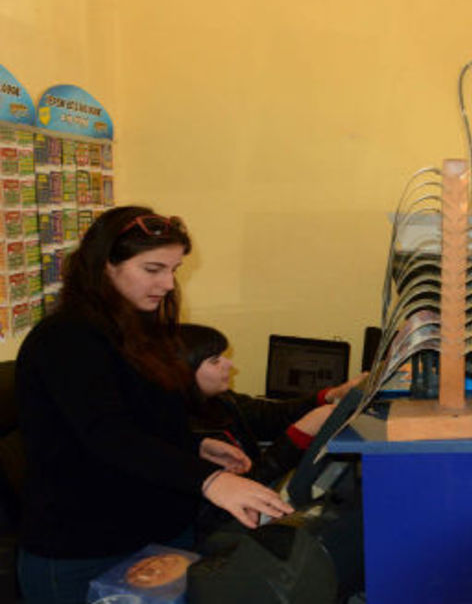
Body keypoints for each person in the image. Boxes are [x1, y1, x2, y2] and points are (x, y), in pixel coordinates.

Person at [16, 206, 293, 604]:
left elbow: (142, 417)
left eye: (173, 270)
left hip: (155, 536)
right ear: (105, 265)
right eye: (152, 269)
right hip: (85, 551)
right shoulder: (65, 339)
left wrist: (195, 446)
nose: (166, 283)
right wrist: (211, 481)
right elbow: (108, 435)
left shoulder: (138, 331)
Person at [181, 323, 358, 506]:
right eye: (215, 361)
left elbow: (271, 415)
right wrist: (299, 435)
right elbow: (242, 488)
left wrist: (329, 396)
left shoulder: (221, 399)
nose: (229, 364)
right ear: (186, 371)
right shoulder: (185, 430)